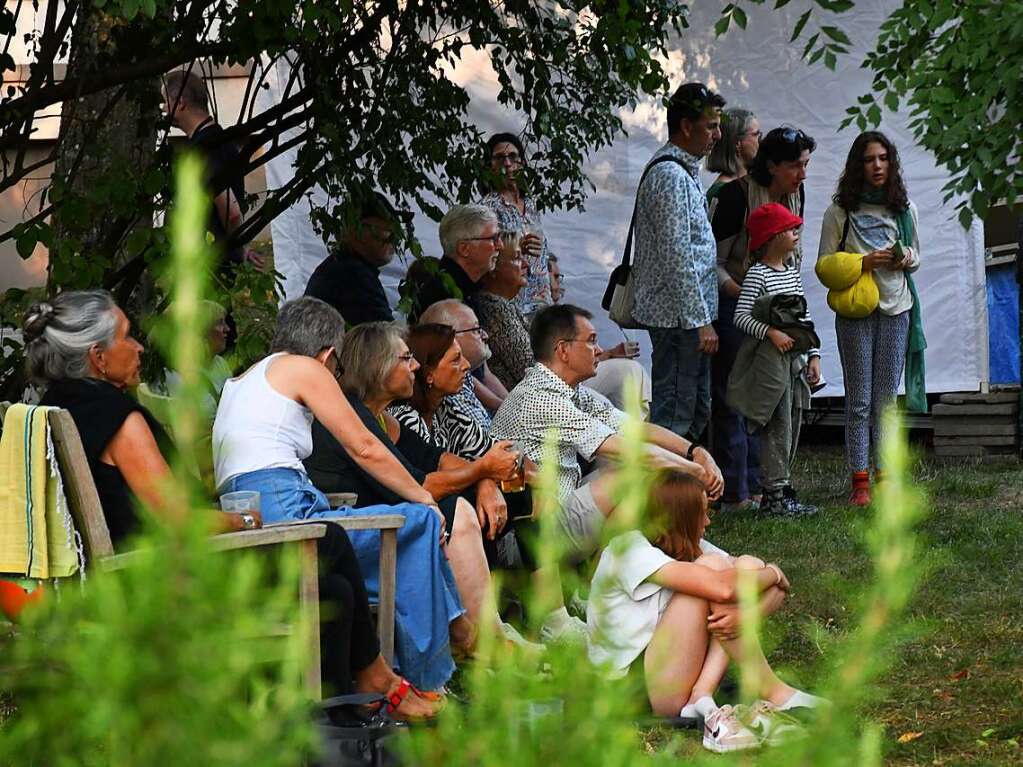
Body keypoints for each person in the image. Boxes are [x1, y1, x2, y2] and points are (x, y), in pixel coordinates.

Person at [23, 290, 437, 718]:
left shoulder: (53, 408)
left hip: (132, 575)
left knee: (331, 590)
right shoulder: (118, 416)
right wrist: (241, 519)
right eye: (128, 337)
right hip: (169, 578)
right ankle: (374, 682)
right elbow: (176, 518)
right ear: (98, 357)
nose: (140, 347)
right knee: (328, 540)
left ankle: (335, 721)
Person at [212, 296, 467, 691]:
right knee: (418, 521)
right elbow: (364, 446)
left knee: (410, 530)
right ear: (328, 355)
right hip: (289, 520)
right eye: (338, 369)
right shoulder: (303, 368)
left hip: (255, 520)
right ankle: (428, 675)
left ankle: (434, 656)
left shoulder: (243, 379)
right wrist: (422, 496)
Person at [304, 322, 518, 647]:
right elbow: (422, 485)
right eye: (406, 359)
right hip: (357, 535)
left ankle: (485, 636)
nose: (415, 365)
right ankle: (485, 642)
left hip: (381, 525)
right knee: (456, 509)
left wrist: (486, 477)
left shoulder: (382, 418)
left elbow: (438, 458)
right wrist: (482, 470)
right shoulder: (353, 414)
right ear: (379, 367)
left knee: (463, 503)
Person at [587, 470, 828, 753]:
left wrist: (748, 613)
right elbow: (726, 590)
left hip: (669, 673)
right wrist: (774, 572)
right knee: (717, 572)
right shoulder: (626, 550)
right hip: (633, 690)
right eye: (702, 513)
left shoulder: (690, 545)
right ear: (679, 517)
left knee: (745, 565)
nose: (708, 521)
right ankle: (769, 689)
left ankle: (702, 694)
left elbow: (762, 583)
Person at [490, 304, 724, 557]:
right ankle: (635, 569)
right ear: (563, 350)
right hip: (527, 538)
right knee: (633, 474)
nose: (600, 350)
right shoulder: (541, 398)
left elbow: (636, 430)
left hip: (554, 509)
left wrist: (696, 452)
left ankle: (646, 561)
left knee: (632, 468)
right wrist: (693, 471)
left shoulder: (568, 390)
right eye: (591, 341)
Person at [711, 126, 817, 512]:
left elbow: (793, 259)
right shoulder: (736, 196)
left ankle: (767, 486)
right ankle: (734, 491)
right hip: (737, 300)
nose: (802, 174)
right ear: (771, 166)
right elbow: (715, 263)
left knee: (777, 399)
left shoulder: (796, 194)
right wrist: (752, 294)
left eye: (805, 165)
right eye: (795, 166)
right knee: (736, 397)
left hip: (780, 307)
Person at [817, 131, 924, 506]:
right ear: (856, 166)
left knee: (885, 401)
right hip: (855, 311)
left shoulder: (904, 207)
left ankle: (887, 477)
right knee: (859, 399)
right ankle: (860, 481)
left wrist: (903, 258)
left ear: (891, 163)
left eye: (883, 158)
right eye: (869, 159)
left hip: (897, 308)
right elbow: (824, 265)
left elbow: (917, 256)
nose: (877, 166)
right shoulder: (839, 212)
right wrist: (863, 262)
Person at [631, 82, 725, 443]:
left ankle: (684, 494)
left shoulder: (683, 172)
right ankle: (662, 496)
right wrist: (700, 322)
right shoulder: (669, 176)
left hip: (686, 318)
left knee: (696, 407)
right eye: (711, 126)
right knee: (674, 415)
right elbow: (677, 256)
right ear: (686, 126)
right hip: (678, 321)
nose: (717, 135)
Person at [479, 238, 651, 414]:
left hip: (552, 389)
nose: (525, 264)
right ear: (493, 269)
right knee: (627, 373)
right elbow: (535, 367)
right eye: (516, 258)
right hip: (546, 398)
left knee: (627, 374)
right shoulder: (496, 310)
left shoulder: (507, 305)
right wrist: (603, 356)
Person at [730, 204, 820, 517]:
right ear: (771, 236)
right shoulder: (758, 275)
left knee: (793, 422)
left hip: (794, 363)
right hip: (771, 364)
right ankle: (773, 494)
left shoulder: (791, 273)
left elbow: (803, 317)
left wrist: (813, 355)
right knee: (777, 425)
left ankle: (784, 488)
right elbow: (740, 317)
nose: (796, 234)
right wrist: (770, 333)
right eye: (790, 229)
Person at [163, 69, 260, 271]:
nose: (164, 108)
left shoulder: (204, 150)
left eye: (166, 101)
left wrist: (239, 247)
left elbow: (230, 212)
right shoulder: (222, 140)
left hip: (208, 267)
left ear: (180, 103)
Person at [480, 132, 552, 316]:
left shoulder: (531, 203)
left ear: (522, 162)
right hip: (512, 306)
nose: (507, 164)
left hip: (542, 302)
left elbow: (542, 253)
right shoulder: (487, 208)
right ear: (489, 166)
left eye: (513, 156)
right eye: (499, 158)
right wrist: (515, 248)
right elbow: (483, 259)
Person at [304, 191, 399, 326]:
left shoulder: (341, 267)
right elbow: (387, 338)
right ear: (357, 230)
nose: (394, 238)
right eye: (387, 230)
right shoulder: (353, 276)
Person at [402, 204, 500, 322]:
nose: (501, 246)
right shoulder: (441, 297)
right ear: (464, 249)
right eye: (494, 239)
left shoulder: (467, 287)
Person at [418, 299, 507, 427]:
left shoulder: (464, 379)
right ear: (451, 338)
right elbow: (487, 444)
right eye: (476, 330)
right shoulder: (450, 396)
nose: (486, 335)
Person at [705, 108, 760, 209]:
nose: (760, 141)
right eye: (756, 135)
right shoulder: (722, 192)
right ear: (737, 143)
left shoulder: (749, 183)